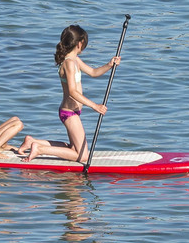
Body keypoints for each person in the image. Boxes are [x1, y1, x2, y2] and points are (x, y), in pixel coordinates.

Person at [18, 24, 121, 163]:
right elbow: (72, 91)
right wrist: (95, 106)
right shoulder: (69, 63)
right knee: (83, 156)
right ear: (80, 43)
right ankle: (39, 149)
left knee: (73, 149)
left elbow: (93, 72)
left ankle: (33, 142)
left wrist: (109, 65)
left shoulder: (74, 60)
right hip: (69, 113)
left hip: (71, 112)